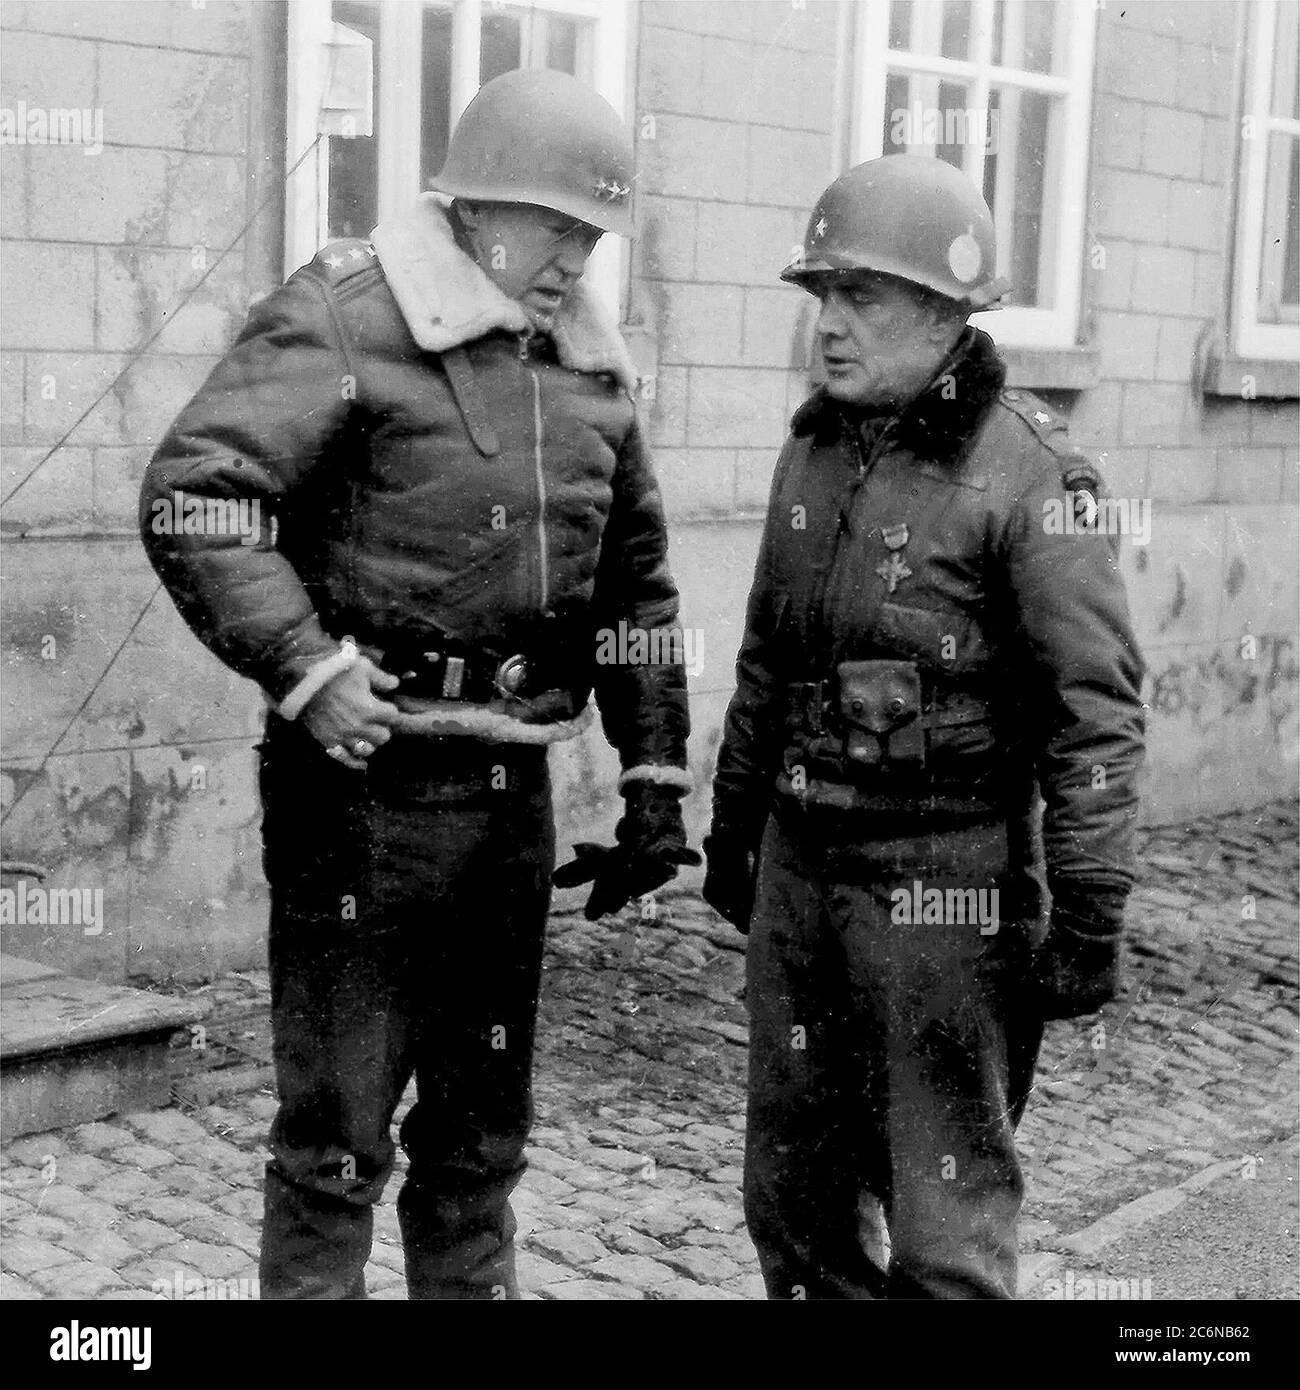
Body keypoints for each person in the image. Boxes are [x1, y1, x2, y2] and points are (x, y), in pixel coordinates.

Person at [140, 68, 695, 1300]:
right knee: (337, 1142)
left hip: (509, 800)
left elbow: (637, 589)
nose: (575, 260)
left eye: (593, 234)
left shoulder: (588, 368)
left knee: (480, 1141)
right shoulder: (344, 315)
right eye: (558, 227)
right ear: (475, 206)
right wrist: (305, 667)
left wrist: (654, 778)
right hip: (365, 798)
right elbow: (198, 495)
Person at [702, 154, 1146, 1300]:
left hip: (945, 887)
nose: (831, 327)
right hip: (804, 877)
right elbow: (765, 657)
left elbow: (1093, 720)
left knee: (943, 1226)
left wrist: (1087, 919)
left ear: (948, 314)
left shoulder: (1034, 474)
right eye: (821, 297)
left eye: (863, 298)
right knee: (794, 1206)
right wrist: (734, 834)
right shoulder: (812, 448)